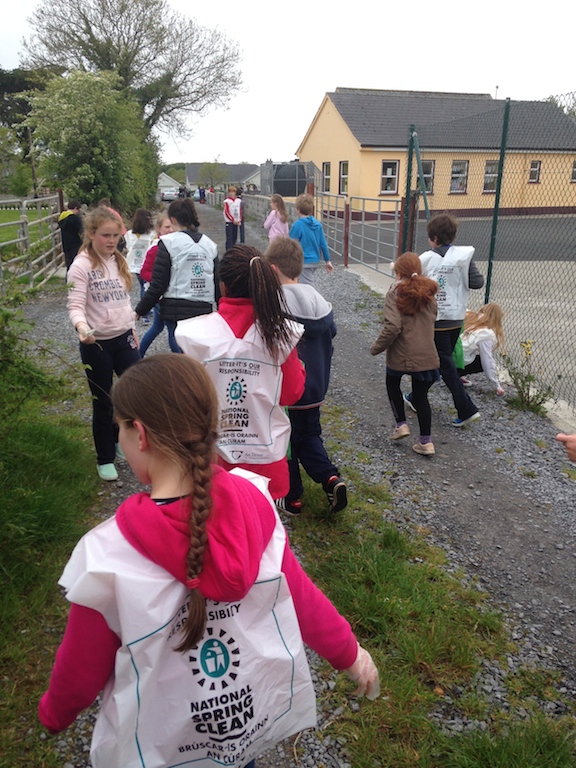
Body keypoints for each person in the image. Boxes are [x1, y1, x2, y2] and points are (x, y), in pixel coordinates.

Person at [38, 355, 380, 768]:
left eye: (120, 429)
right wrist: (350, 654)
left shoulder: (108, 554)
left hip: (164, 745)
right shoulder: (254, 502)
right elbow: (299, 596)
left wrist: (54, 716)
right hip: (239, 729)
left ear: (139, 435)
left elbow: (80, 670)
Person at [175, 244, 306, 500]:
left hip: (212, 459)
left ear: (223, 286)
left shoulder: (196, 334)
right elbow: (291, 394)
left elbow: (186, 400)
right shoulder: (279, 334)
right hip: (265, 460)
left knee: (216, 521)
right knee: (261, 522)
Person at [264, 237, 347, 514]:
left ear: (272, 269)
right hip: (315, 388)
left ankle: (292, 496)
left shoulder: (274, 303)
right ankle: (330, 478)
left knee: (285, 441)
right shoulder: (319, 300)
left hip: (286, 389)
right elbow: (331, 332)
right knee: (309, 435)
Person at [66, 206, 140, 481]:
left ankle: (120, 439)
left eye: (115, 236)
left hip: (123, 338)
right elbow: (75, 305)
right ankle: (105, 457)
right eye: (105, 236)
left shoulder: (118, 260)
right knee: (104, 401)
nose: (111, 241)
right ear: (91, 234)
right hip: (96, 343)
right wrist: (82, 327)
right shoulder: (81, 266)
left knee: (135, 393)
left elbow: (124, 301)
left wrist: (132, 330)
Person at [405, 213, 484, 427]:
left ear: (433, 238)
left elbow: (412, 285)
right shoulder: (463, 257)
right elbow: (477, 282)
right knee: (439, 360)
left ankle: (466, 408)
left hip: (435, 320)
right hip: (456, 318)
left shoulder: (425, 259)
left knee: (444, 364)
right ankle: (415, 396)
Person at [370, 252, 440, 456]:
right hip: (427, 353)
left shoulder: (395, 293)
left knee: (392, 383)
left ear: (399, 273)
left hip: (401, 353)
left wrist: (376, 348)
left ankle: (401, 424)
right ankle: (426, 442)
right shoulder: (429, 294)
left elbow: (392, 327)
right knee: (421, 397)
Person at [135, 198, 219, 354]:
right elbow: (217, 282)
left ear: (173, 219)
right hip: (203, 307)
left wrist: (141, 309)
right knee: (197, 353)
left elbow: (159, 284)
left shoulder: (168, 243)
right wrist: (221, 308)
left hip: (176, 308)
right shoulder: (209, 244)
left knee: (180, 353)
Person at [138, 213, 174, 356]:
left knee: (157, 327)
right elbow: (144, 272)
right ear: (158, 229)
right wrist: (159, 279)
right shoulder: (155, 248)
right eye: (167, 227)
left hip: (166, 293)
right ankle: (182, 360)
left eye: (172, 226)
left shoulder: (173, 245)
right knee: (172, 328)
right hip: (160, 296)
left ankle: (138, 355)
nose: (171, 230)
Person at [458, 303, 506, 396]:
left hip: (446, 354)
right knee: (480, 361)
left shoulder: (468, 316)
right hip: (457, 361)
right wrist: (496, 385)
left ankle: (454, 374)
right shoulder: (486, 333)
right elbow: (487, 360)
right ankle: (455, 375)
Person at [289, 193, 333, 286]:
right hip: (314, 259)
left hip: (303, 260)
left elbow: (290, 244)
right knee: (301, 284)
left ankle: (309, 296)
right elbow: (323, 244)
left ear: (298, 210)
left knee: (306, 286)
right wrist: (327, 260)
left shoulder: (298, 225)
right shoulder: (317, 224)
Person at [124, 208, 155, 324]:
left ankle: (146, 309)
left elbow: (127, 248)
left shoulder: (129, 234)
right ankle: (144, 313)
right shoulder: (151, 234)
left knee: (143, 285)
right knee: (145, 287)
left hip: (134, 264)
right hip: (147, 264)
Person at [57, 200, 83, 271]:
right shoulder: (74, 218)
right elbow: (81, 229)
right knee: (76, 262)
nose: (78, 212)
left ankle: (69, 275)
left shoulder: (62, 217)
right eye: (78, 210)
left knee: (69, 262)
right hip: (75, 243)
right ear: (75, 208)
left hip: (65, 243)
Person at [223, 185, 242, 249]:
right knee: (229, 238)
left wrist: (239, 220)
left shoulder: (238, 201)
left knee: (234, 237)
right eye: (230, 192)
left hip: (236, 221)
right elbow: (227, 212)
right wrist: (232, 219)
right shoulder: (227, 201)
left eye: (233, 192)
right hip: (229, 222)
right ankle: (228, 250)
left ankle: (233, 250)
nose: (231, 193)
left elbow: (240, 211)